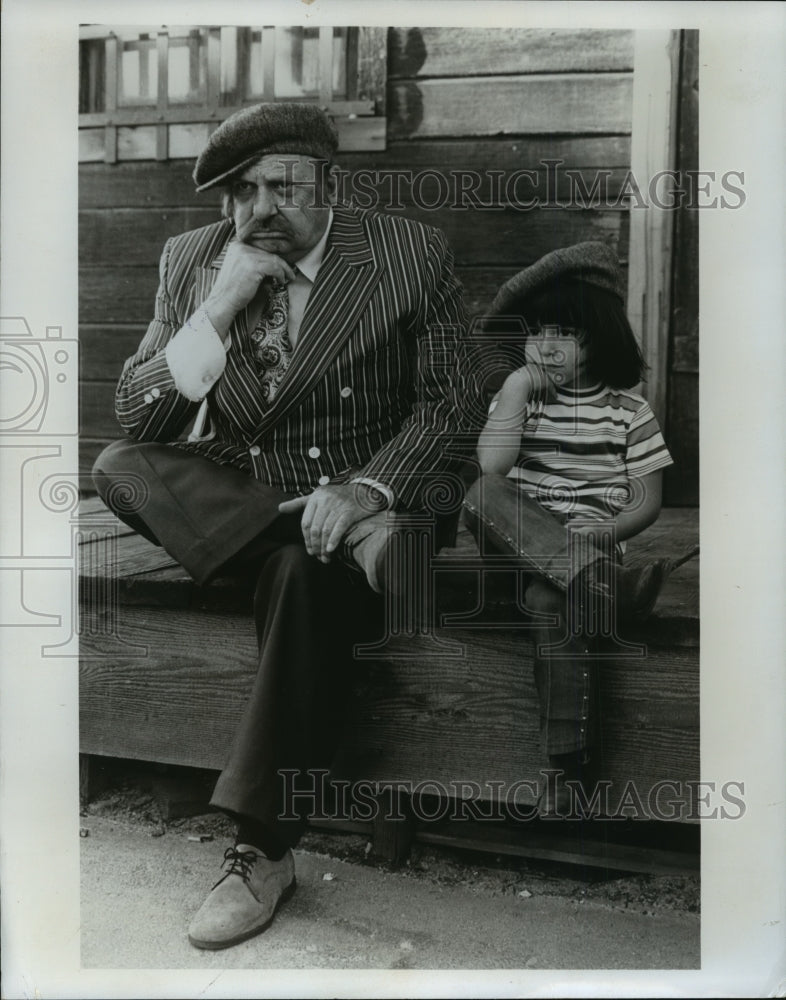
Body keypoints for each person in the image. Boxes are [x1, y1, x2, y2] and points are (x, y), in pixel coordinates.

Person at [92, 102, 471, 950]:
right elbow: (136, 417)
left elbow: (453, 403)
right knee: (118, 468)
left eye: (284, 186)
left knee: (302, 577)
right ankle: (332, 541)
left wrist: (372, 491)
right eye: (242, 192)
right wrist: (218, 309)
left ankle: (258, 851)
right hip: (253, 506)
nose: (262, 208)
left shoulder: (407, 254)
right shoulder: (193, 259)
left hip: (366, 500)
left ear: (329, 184)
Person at [463, 242, 697, 816]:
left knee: (554, 596)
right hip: (512, 554)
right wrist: (515, 390)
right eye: (537, 330)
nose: (546, 344)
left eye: (565, 333)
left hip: (588, 553)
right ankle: (601, 585)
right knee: (480, 492)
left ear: (600, 339)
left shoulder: (628, 409)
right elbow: (492, 469)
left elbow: (647, 501)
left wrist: (610, 532)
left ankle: (567, 770)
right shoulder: (521, 400)